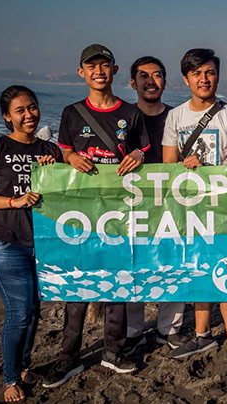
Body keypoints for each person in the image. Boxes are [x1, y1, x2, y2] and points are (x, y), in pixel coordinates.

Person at [43, 44, 150, 388]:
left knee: (118, 282)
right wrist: (71, 157)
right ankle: (68, 358)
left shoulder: (131, 112)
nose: (98, 71)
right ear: (82, 73)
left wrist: (137, 155)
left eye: (104, 65)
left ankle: (113, 352)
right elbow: (64, 150)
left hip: (120, 211)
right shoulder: (72, 113)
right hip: (80, 213)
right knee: (77, 285)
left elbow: (143, 148)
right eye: (92, 67)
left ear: (115, 70)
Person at [162, 48, 227, 381]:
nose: (204, 79)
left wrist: (208, 168)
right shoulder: (175, 117)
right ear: (186, 79)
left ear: (217, 76)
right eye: (197, 73)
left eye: (210, 72)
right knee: (199, 272)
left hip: (226, 210)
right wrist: (183, 168)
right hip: (190, 211)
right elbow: (168, 167)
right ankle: (201, 335)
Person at [0, 85, 61, 402]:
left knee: (33, 311)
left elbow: (65, 190)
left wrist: (54, 169)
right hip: (6, 241)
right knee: (18, 313)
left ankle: (23, 368)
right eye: (20, 110)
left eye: (32, 107)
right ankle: (10, 379)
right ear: (7, 116)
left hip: (43, 242)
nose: (28, 115)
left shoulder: (50, 150)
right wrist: (13, 201)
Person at [124, 56, 188, 353]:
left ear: (165, 81)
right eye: (143, 76)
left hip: (172, 203)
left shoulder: (178, 117)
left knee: (173, 264)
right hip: (132, 204)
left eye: (157, 75)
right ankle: (132, 331)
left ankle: (169, 329)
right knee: (132, 264)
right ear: (132, 83)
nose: (151, 81)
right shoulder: (123, 118)